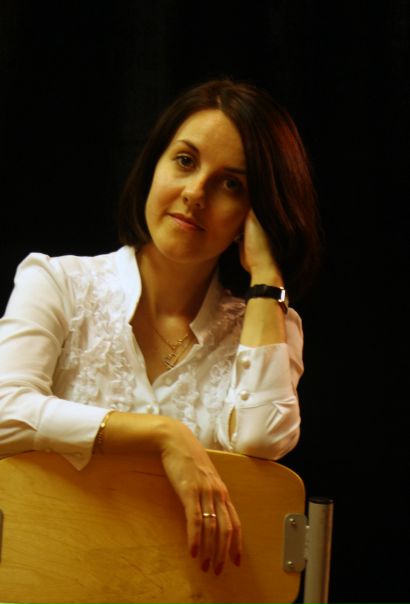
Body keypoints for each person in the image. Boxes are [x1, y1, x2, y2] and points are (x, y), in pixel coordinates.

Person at [0, 78, 321, 575]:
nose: (195, 193)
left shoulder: (271, 324)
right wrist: (163, 435)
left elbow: (263, 439)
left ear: (255, 214)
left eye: (232, 184)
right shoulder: (58, 282)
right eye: (185, 161)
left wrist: (266, 278)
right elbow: (4, 412)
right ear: (154, 163)